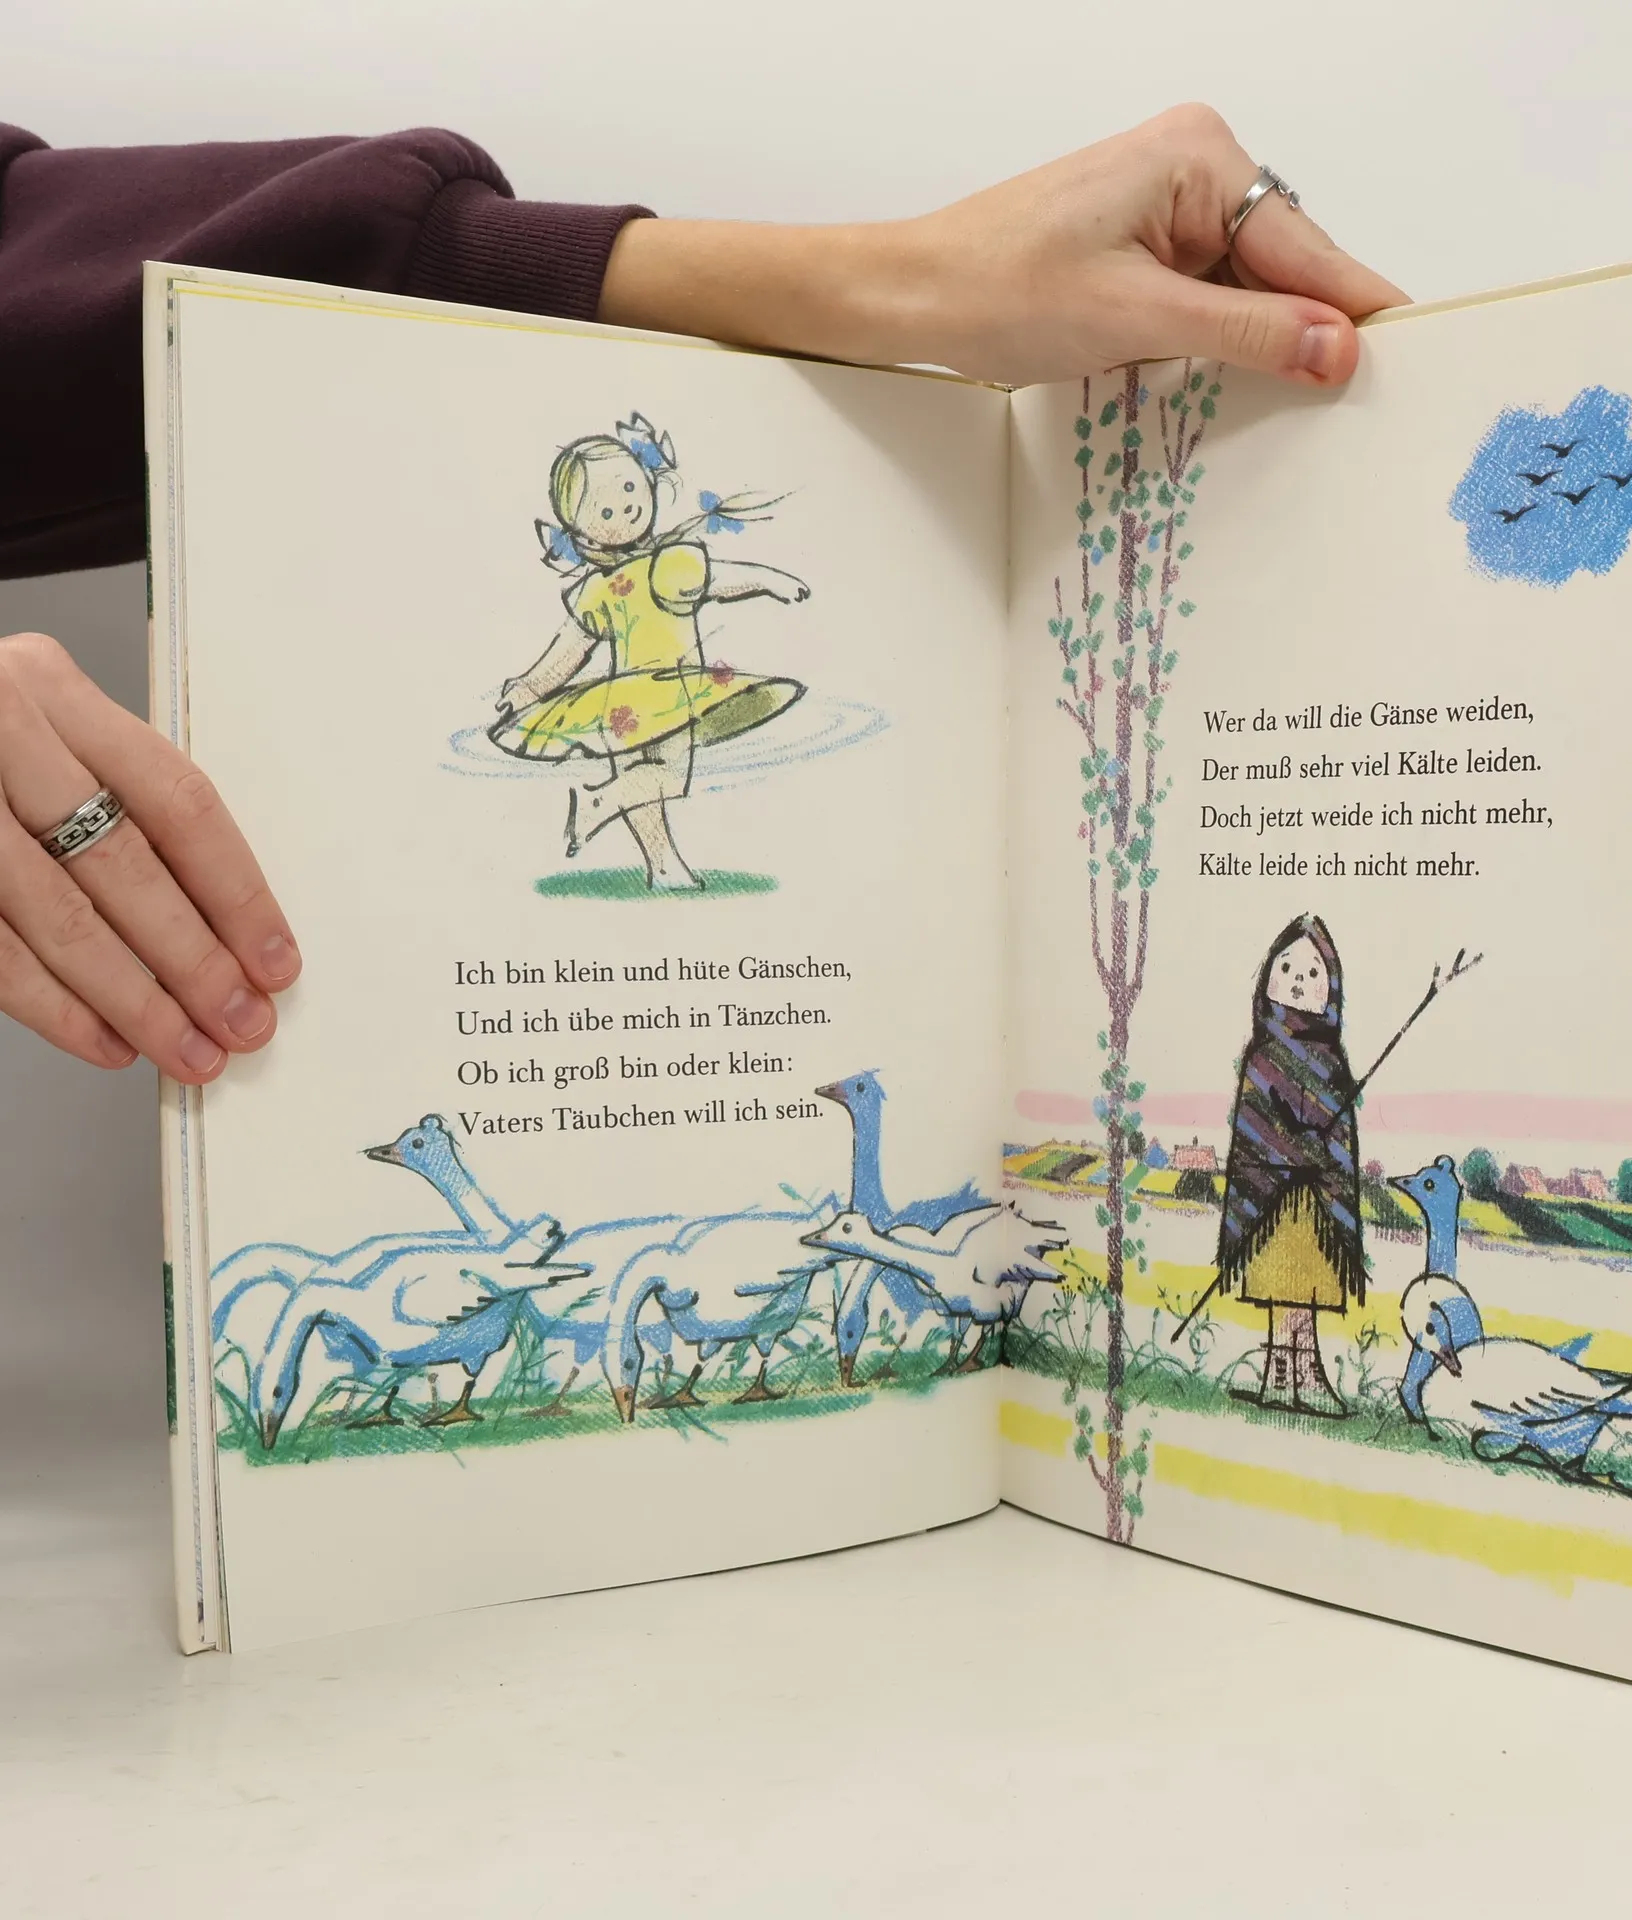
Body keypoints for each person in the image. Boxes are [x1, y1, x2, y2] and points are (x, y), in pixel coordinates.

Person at [0, 105, 1405, 1079]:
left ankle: (632, 836)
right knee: (645, 765)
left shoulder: (670, 564)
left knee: (662, 766)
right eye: (598, 505)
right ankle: (632, 837)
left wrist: (892, 291)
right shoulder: (608, 593)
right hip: (621, 700)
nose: (618, 517)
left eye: (628, 495)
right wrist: (529, 683)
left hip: (672, 683)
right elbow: (567, 645)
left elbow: (39, 259)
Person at [488, 413, 808, 886]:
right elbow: (721, 581)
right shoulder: (662, 567)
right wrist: (771, 581)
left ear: (647, 478)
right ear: (583, 535)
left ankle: (662, 867)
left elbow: (572, 648)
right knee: (668, 777)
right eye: (605, 512)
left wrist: (531, 686)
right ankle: (602, 803)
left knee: (647, 782)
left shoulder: (609, 584)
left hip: (621, 705)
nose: (626, 508)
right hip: (672, 692)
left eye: (629, 488)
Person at [1216, 913, 1366, 1418]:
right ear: (1268, 979)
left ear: (1330, 988)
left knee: (1308, 1283)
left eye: (1312, 973)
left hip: (1316, 1201)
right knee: (1282, 1284)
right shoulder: (1262, 1056)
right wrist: (1296, 1149)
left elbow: (1337, 1135)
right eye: (1288, 969)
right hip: (1273, 1197)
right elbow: (1262, 1125)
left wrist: (1319, 1154)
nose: (1299, 981)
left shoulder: (1332, 1062)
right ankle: (1280, 1373)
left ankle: (1308, 1372)